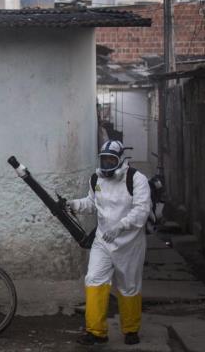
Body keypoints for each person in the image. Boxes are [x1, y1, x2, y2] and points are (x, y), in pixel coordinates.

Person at [66, 140, 151, 346]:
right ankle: (96, 332)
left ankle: (131, 329)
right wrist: (73, 204)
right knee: (94, 279)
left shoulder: (136, 179)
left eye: (111, 160)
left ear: (121, 159)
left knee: (129, 286)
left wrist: (121, 226)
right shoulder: (96, 178)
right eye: (104, 160)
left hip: (129, 244)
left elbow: (142, 210)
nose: (106, 164)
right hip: (103, 241)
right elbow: (91, 203)